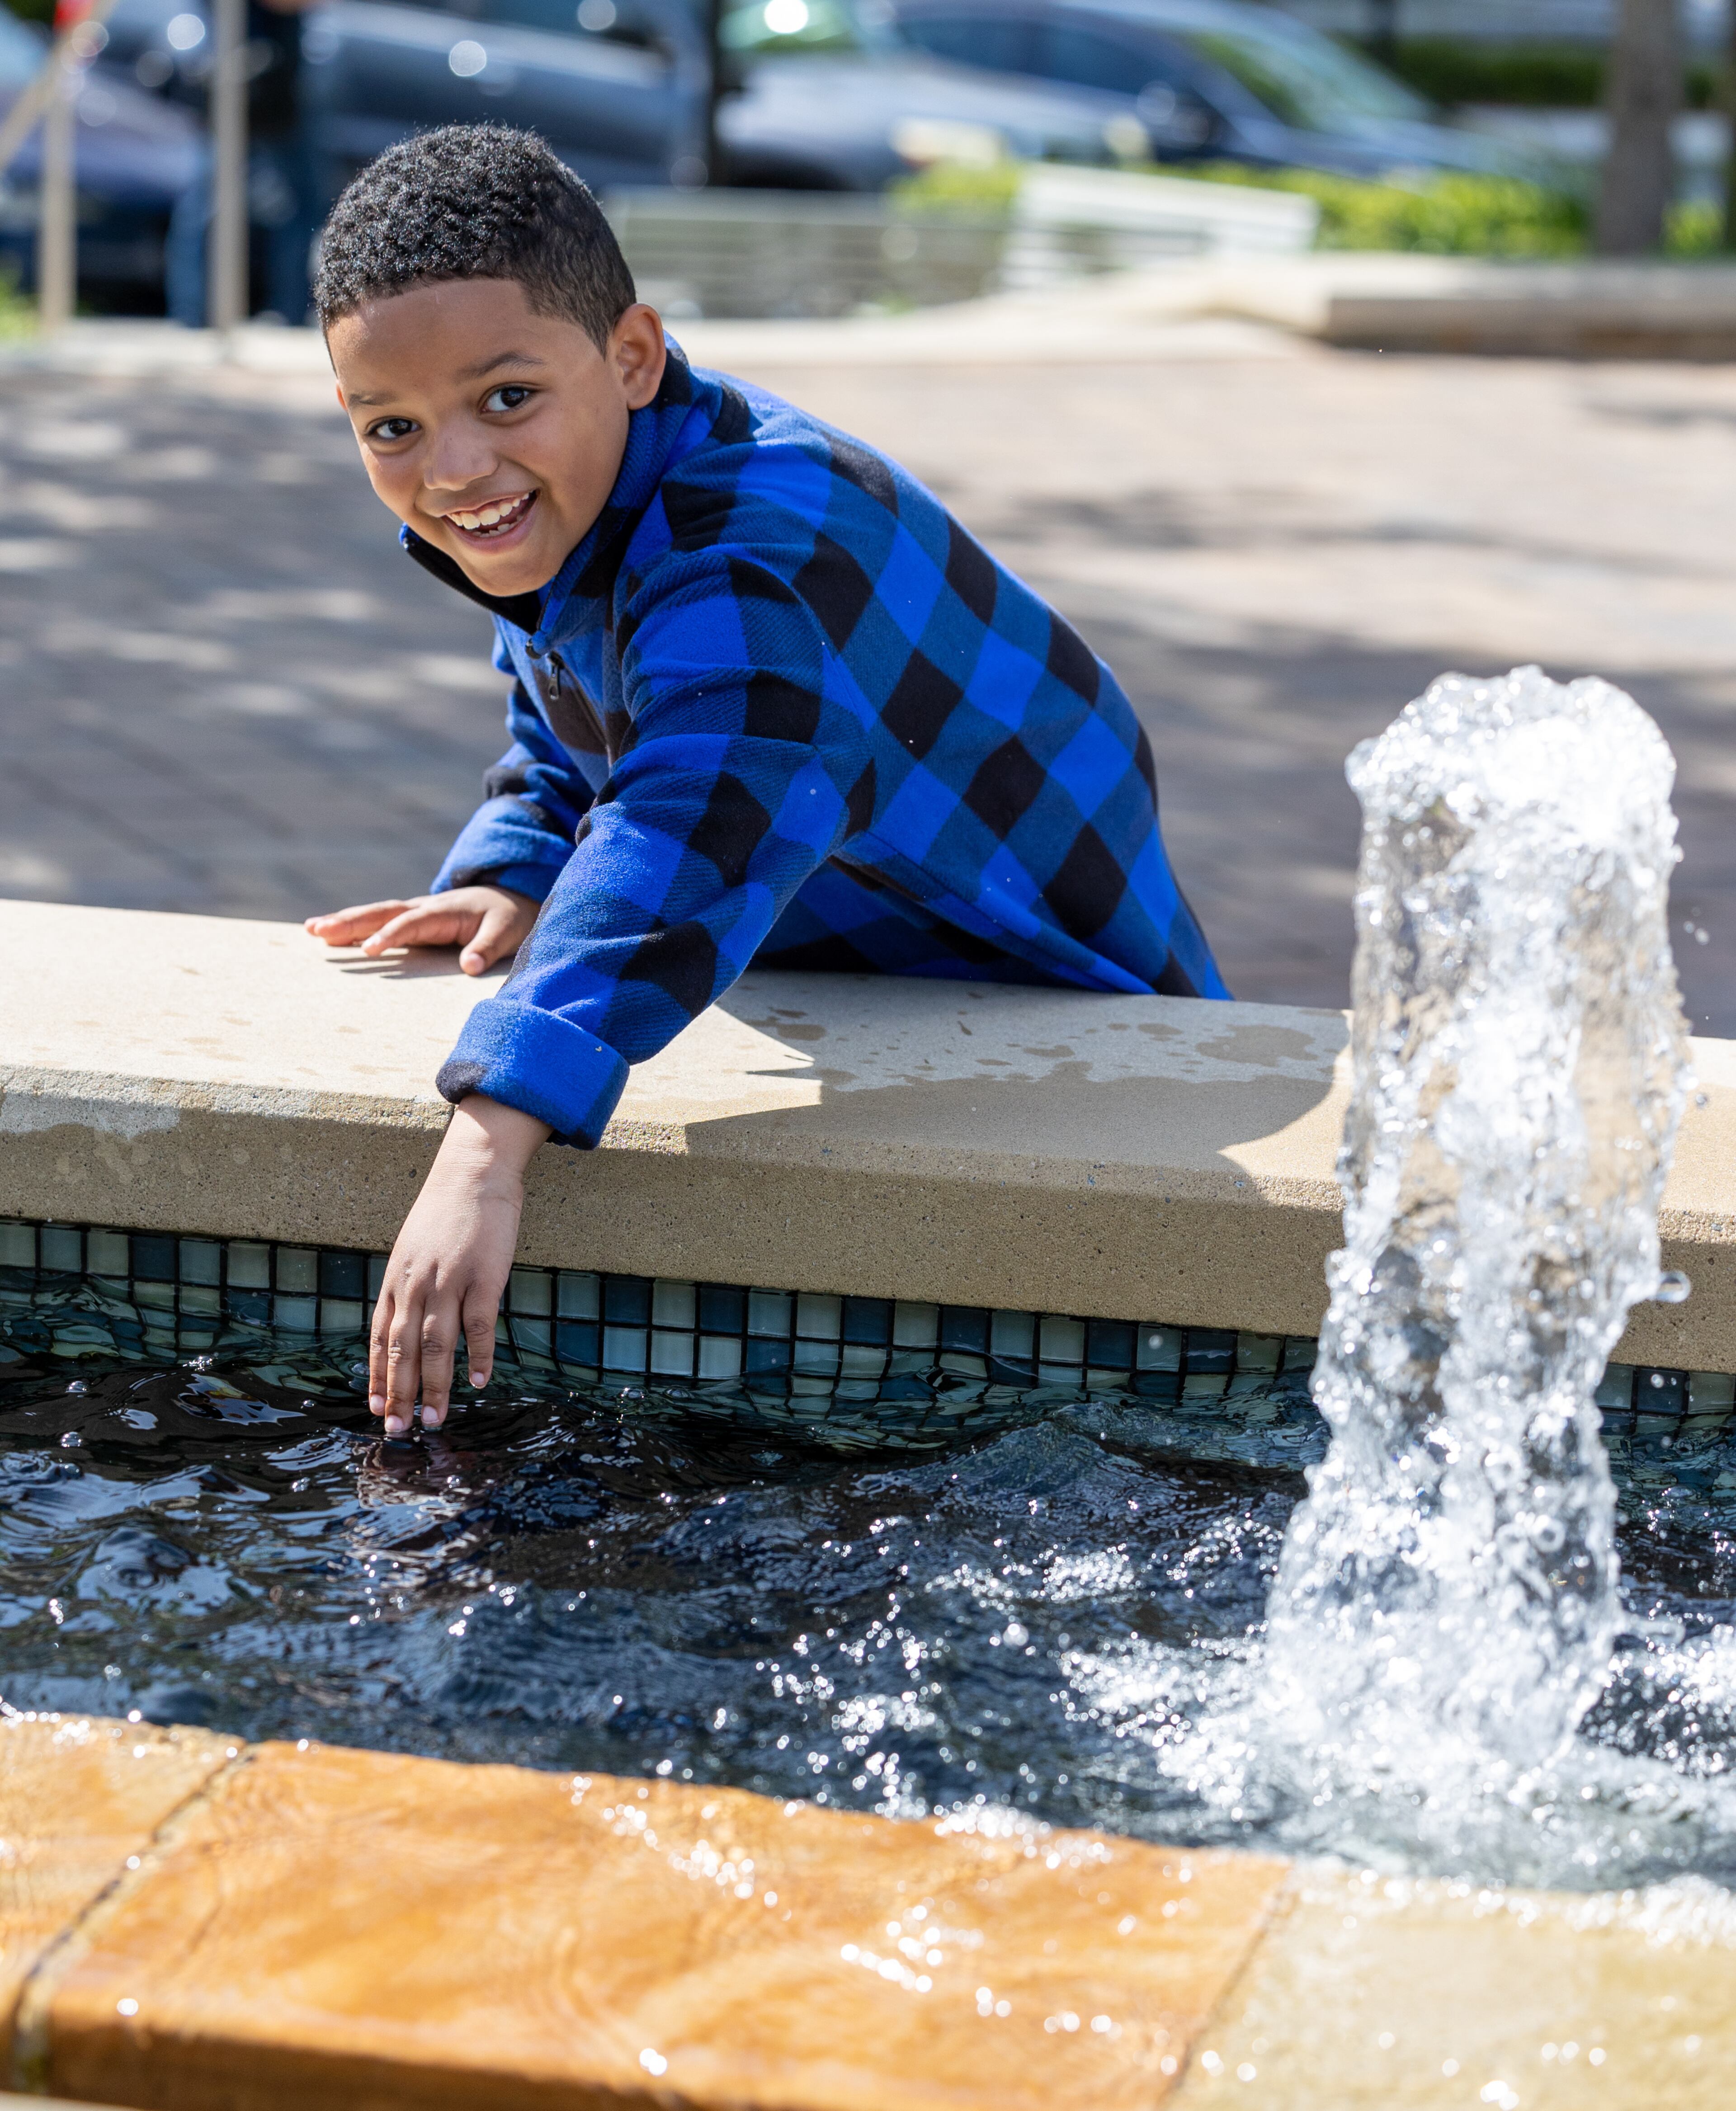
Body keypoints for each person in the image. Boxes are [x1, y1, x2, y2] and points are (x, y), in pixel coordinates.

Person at [304, 124, 1228, 1437]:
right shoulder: (598, 482)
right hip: (879, 977)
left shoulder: (755, 549)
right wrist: (518, 857)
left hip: (1068, 1020)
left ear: (629, 352)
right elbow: (579, 708)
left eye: (504, 397)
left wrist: (487, 1141)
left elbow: (696, 808)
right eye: (392, 424)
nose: (451, 468)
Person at [164, 0, 321, 327]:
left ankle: (196, 313)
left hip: (266, 73)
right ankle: (194, 313)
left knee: (212, 198)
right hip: (252, 71)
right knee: (210, 201)